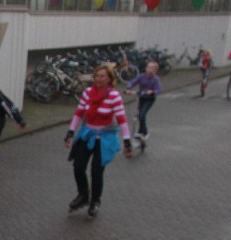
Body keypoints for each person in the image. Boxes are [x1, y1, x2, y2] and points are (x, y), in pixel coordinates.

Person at [64, 65, 132, 218]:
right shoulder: (88, 92)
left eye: (103, 76)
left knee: (96, 171)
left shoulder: (114, 95)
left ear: (109, 79)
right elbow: (79, 113)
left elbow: (121, 119)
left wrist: (127, 141)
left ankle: (95, 201)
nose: (99, 79)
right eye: (97, 76)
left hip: (104, 138)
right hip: (88, 134)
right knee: (78, 167)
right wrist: (70, 132)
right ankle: (83, 195)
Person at [125, 60, 161, 149]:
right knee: (138, 115)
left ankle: (143, 132)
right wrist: (129, 88)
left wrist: (152, 91)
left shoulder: (156, 79)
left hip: (149, 99)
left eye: (152, 68)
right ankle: (142, 132)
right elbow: (133, 82)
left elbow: (157, 89)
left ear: (155, 70)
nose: (150, 69)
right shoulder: (141, 76)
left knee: (142, 115)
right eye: (148, 67)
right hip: (142, 98)